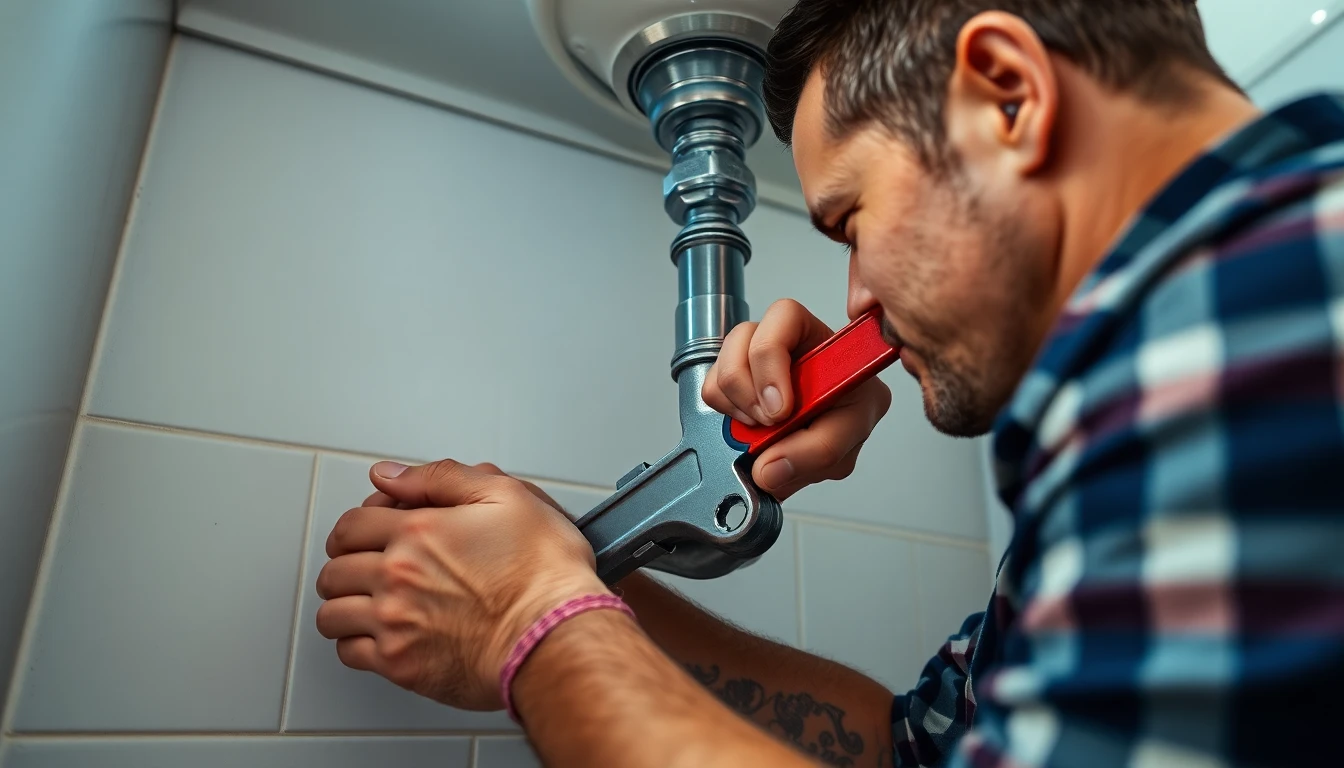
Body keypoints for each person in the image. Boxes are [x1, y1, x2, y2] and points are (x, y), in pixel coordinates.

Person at [312, 1, 1344, 765]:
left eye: (850, 221)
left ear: (1008, 96)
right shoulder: (1178, 362)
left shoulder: (1255, 302)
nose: (855, 302)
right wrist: (574, 562)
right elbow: (907, 749)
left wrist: (530, 625)